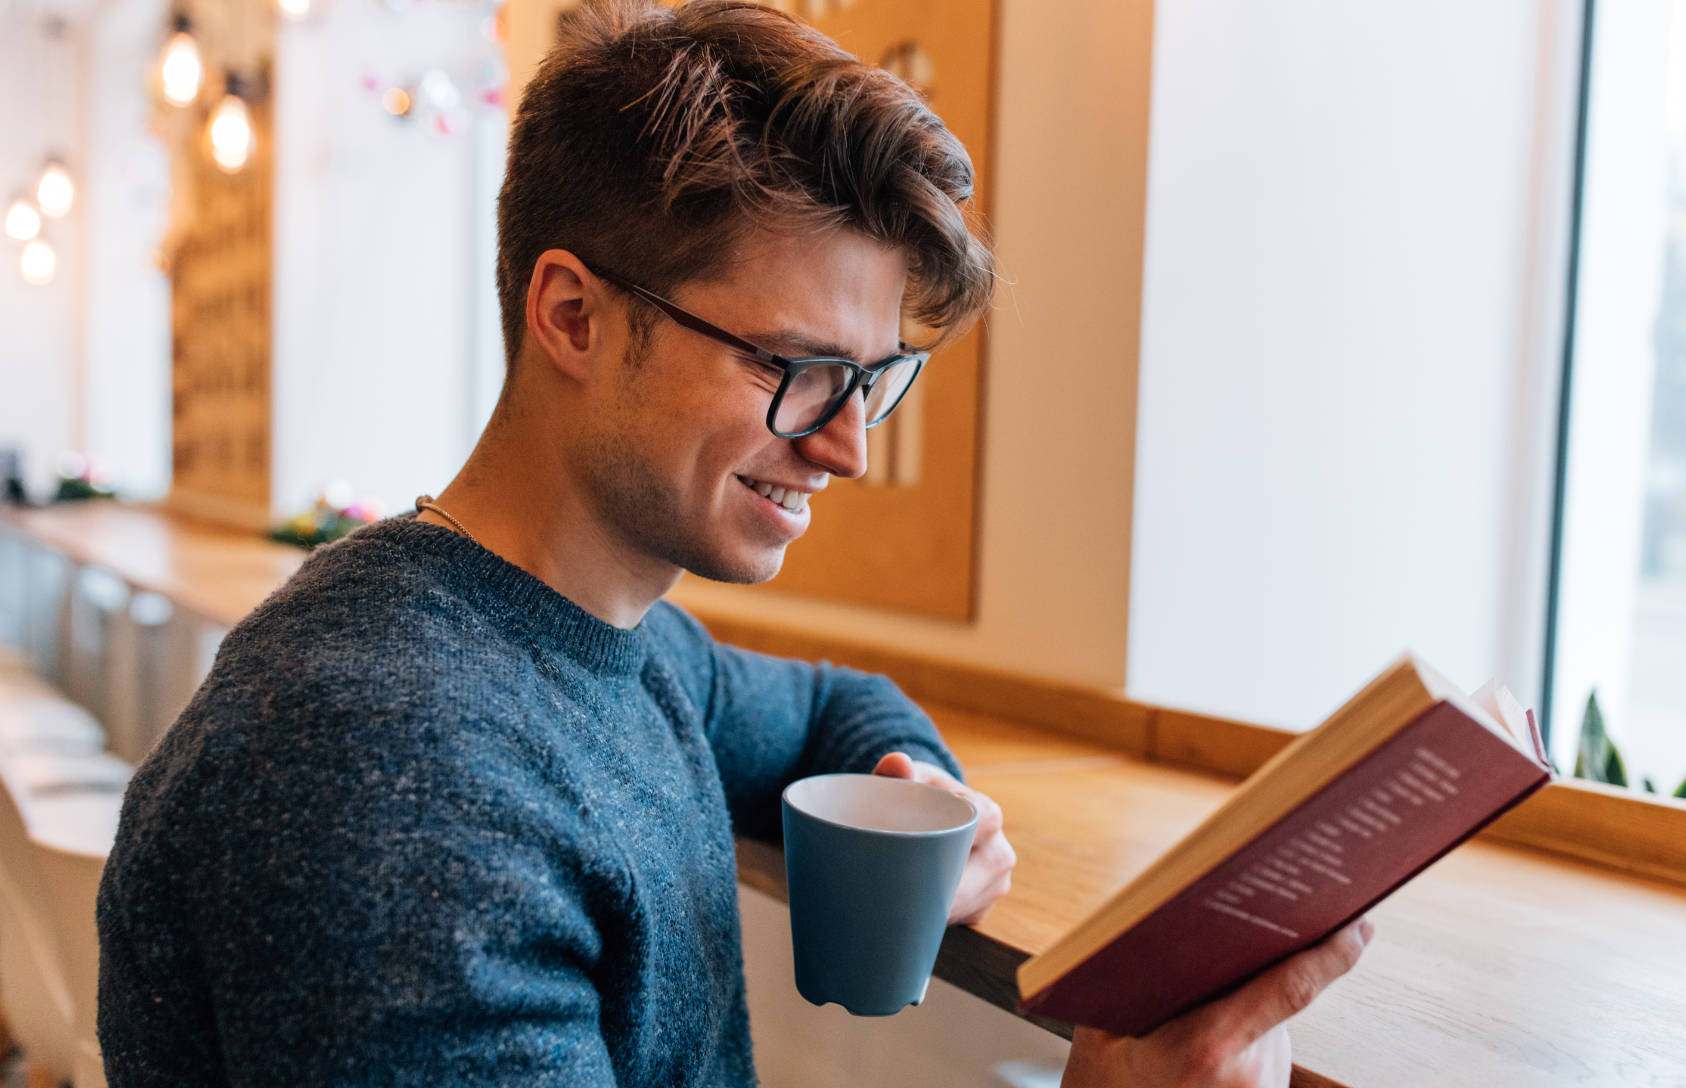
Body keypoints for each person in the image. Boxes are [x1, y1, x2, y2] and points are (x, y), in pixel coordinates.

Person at [96, 1, 1369, 1084]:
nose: (847, 447)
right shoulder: (390, 774)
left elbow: (833, 706)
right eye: (800, 369)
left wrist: (919, 787)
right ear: (573, 316)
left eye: (871, 380)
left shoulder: (619, 643)